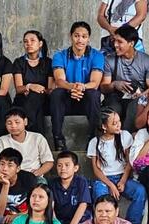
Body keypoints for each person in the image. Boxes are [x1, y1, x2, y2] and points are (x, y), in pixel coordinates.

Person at [50, 22, 104, 152]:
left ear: (88, 38)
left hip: (85, 98)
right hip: (67, 98)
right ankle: (58, 139)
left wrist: (81, 87)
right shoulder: (60, 56)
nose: (80, 40)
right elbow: (59, 80)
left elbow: (95, 83)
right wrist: (72, 87)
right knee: (57, 93)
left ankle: (93, 139)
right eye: (77, 36)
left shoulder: (97, 56)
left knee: (94, 94)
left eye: (84, 36)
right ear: (71, 36)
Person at [88, 108, 146, 224]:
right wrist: (111, 185)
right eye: (114, 123)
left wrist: (123, 181)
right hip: (104, 179)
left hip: (122, 176)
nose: (118, 125)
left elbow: (129, 162)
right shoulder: (95, 142)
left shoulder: (124, 136)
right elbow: (96, 170)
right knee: (101, 195)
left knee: (140, 191)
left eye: (119, 121)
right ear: (104, 126)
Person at [100, 24, 149, 127]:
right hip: (115, 96)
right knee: (112, 110)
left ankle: (126, 138)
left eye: (120, 42)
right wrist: (115, 84)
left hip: (139, 97)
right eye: (114, 41)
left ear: (131, 43)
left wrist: (142, 94)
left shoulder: (147, 61)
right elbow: (103, 87)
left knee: (134, 107)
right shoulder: (109, 60)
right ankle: (106, 139)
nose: (115, 45)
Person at [0, 107, 54, 180]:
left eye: (17, 122)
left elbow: (49, 162)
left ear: (25, 121)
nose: (13, 126)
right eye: (9, 123)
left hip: (34, 177)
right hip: (12, 177)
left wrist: (37, 173)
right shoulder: (2, 140)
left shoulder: (38, 138)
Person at [13, 30, 52, 135]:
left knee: (36, 97)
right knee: (34, 101)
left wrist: (38, 89)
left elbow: (50, 89)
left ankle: (27, 128)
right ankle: (38, 138)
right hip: (23, 100)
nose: (28, 44)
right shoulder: (19, 62)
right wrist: (30, 86)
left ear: (40, 44)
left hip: (44, 100)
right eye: (25, 41)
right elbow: (18, 88)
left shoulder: (48, 63)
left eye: (32, 40)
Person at [0, 147, 36, 224]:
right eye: (2, 164)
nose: (4, 169)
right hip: (5, 219)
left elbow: (38, 205)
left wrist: (18, 216)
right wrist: (5, 185)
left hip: (26, 215)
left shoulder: (28, 179)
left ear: (18, 169)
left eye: (10, 165)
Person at [50, 152, 92, 224]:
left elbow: (83, 204)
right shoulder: (52, 184)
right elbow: (51, 206)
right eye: (59, 165)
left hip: (79, 220)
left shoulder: (81, 181)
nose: (63, 168)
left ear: (75, 168)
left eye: (67, 165)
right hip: (60, 220)